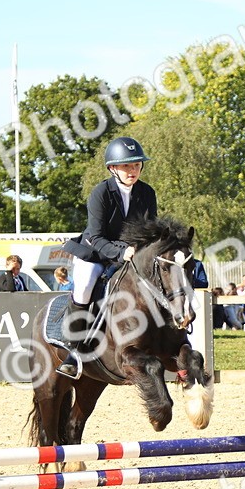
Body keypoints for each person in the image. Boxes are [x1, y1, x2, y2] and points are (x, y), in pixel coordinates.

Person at [58, 136, 156, 375]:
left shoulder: (147, 193)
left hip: (131, 254)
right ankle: (74, 350)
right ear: (113, 168)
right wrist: (122, 251)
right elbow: (96, 236)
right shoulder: (101, 193)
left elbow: (150, 230)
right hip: (96, 253)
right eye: (126, 166)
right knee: (84, 286)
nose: (132, 170)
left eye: (136, 165)